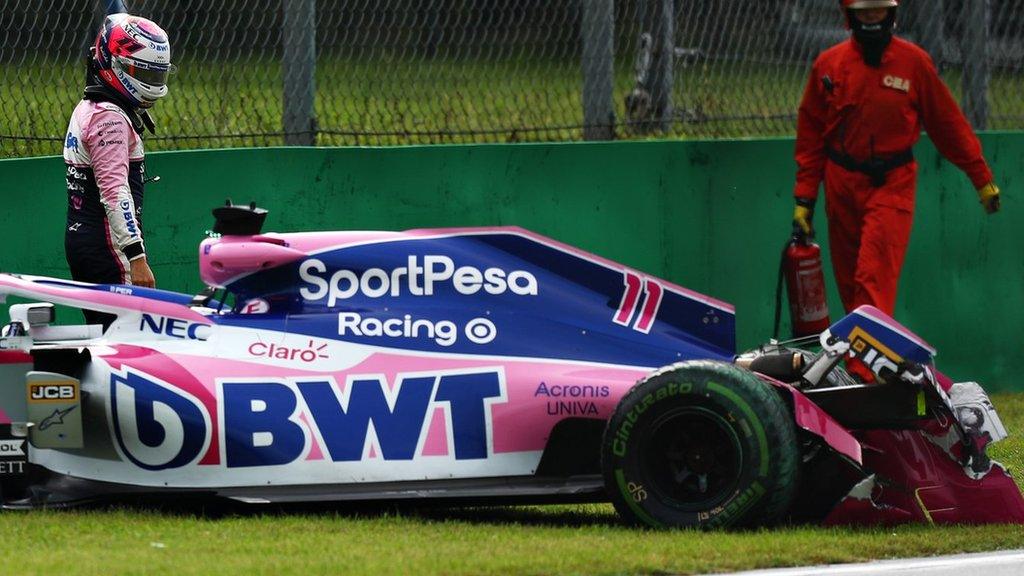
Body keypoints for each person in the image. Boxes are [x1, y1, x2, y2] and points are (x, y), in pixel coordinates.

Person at [792, 0, 1001, 325]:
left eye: (878, 10)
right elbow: (811, 136)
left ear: (891, 13)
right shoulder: (829, 65)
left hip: (892, 185)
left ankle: (869, 370)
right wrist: (805, 198)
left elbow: (948, 125)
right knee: (850, 287)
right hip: (841, 185)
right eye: (864, 11)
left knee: (872, 278)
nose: (872, 17)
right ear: (850, 16)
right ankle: (861, 363)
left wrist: (981, 178)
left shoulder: (913, 63)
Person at [63, 13, 175, 327]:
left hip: (87, 243)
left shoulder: (90, 107)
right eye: (142, 72)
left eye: (157, 75)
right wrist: (136, 258)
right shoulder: (109, 119)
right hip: (110, 249)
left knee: (104, 340)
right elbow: (114, 193)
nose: (151, 84)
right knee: (131, 342)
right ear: (113, 63)